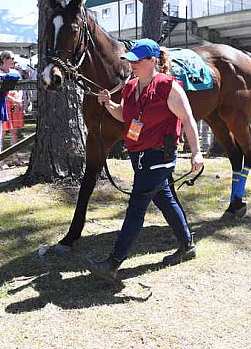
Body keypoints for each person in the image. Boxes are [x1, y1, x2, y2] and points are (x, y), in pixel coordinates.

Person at [84, 39, 204, 282]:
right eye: (131, 60)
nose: (132, 64)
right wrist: (108, 103)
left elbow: (189, 120)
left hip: (159, 156)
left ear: (152, 61)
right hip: (138, 155)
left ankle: (112, 263)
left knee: (137, 208)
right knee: (165, 199)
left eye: (137, 60)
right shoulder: (130, 86)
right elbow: (124, 115)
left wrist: (196, 152)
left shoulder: (168, 87)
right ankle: (187, 246)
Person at [0, 51, 25, 167]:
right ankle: (0, 160)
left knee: (14, 132)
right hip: (5, 104)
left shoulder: (15, 72)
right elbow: (0, 91)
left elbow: (21, 87)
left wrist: (20, 99)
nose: (13, 61)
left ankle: (15, 157)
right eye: (11, 58)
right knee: (2, 133)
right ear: (5, 59)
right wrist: (13, 100)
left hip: (16, 104)